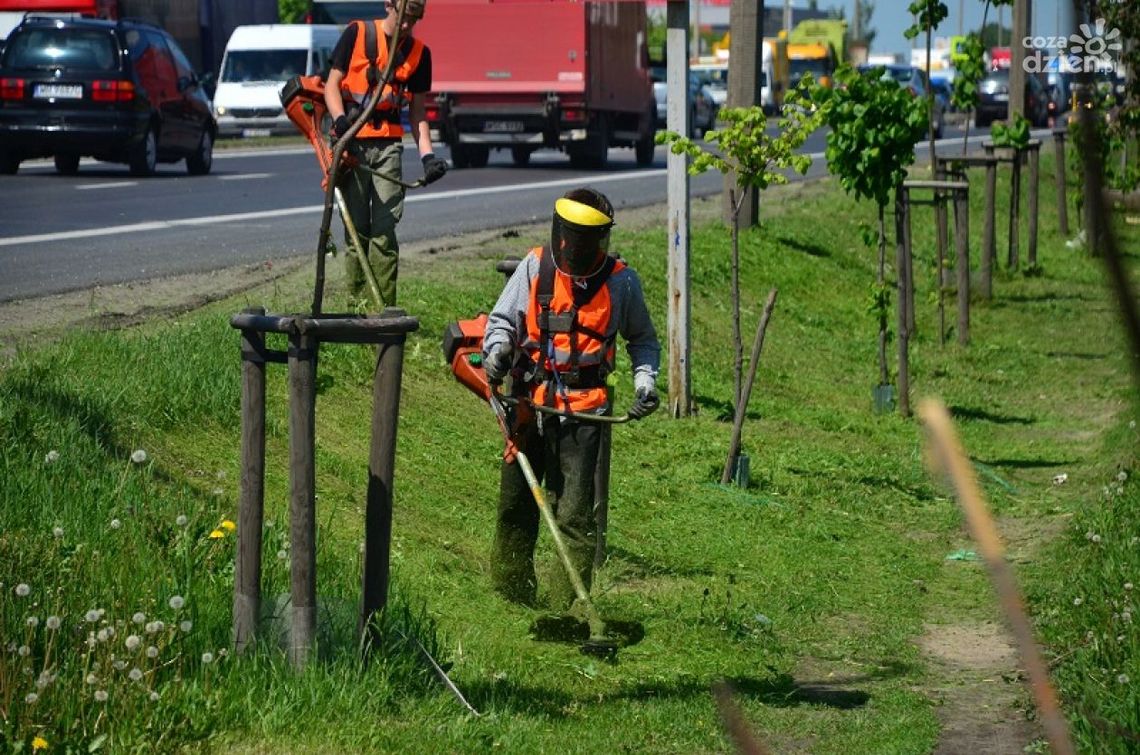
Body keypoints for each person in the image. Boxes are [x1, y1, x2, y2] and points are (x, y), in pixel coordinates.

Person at [481, 187, 661, 608]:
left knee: (575, 516)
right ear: (559, 232)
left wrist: (645, 383)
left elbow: (644, 341)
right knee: (515, 505)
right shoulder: (536, 266)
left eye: (584, 239)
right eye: (568, 236)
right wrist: (497, 354)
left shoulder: (622, 283)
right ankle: (510, 593)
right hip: (528, 406)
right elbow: (501, 321)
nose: (572, 247)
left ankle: (565, 604)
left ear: (600, 239)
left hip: (584, 414)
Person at [324, 0, 448, 308]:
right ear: (388, 5)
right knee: (357, 234)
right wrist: (341, 121)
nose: (406, 26)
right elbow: (331, 85)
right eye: (403, 17)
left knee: (383, 234)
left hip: (388, 147)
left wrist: (427, 156)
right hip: (351, 144)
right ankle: (356, 312)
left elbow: (418, 113)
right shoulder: (357, 33)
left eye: (414, 20)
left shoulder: (420, 54)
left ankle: (383, 313)